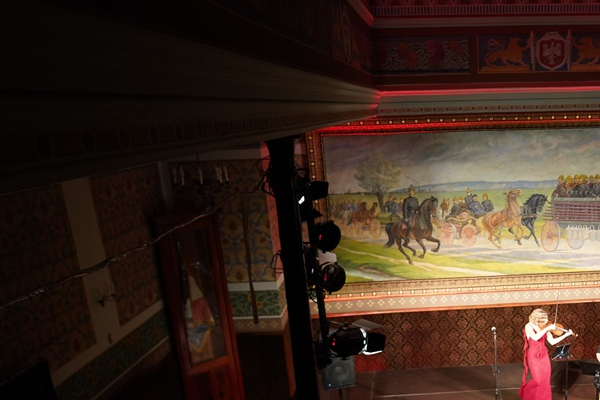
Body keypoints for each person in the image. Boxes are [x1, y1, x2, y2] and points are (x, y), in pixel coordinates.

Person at [519, 308, 573, 400]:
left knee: (545, 380)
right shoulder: (529, 326)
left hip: (544, 355)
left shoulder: (544, 327)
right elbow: (535, 337)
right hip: (534, 356)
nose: (546, 321)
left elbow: (552, 341)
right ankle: (529, 394)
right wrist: (547, 328)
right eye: (544, 319)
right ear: (537, 318)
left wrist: (566, 335)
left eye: (546, 318)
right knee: (538, 381)